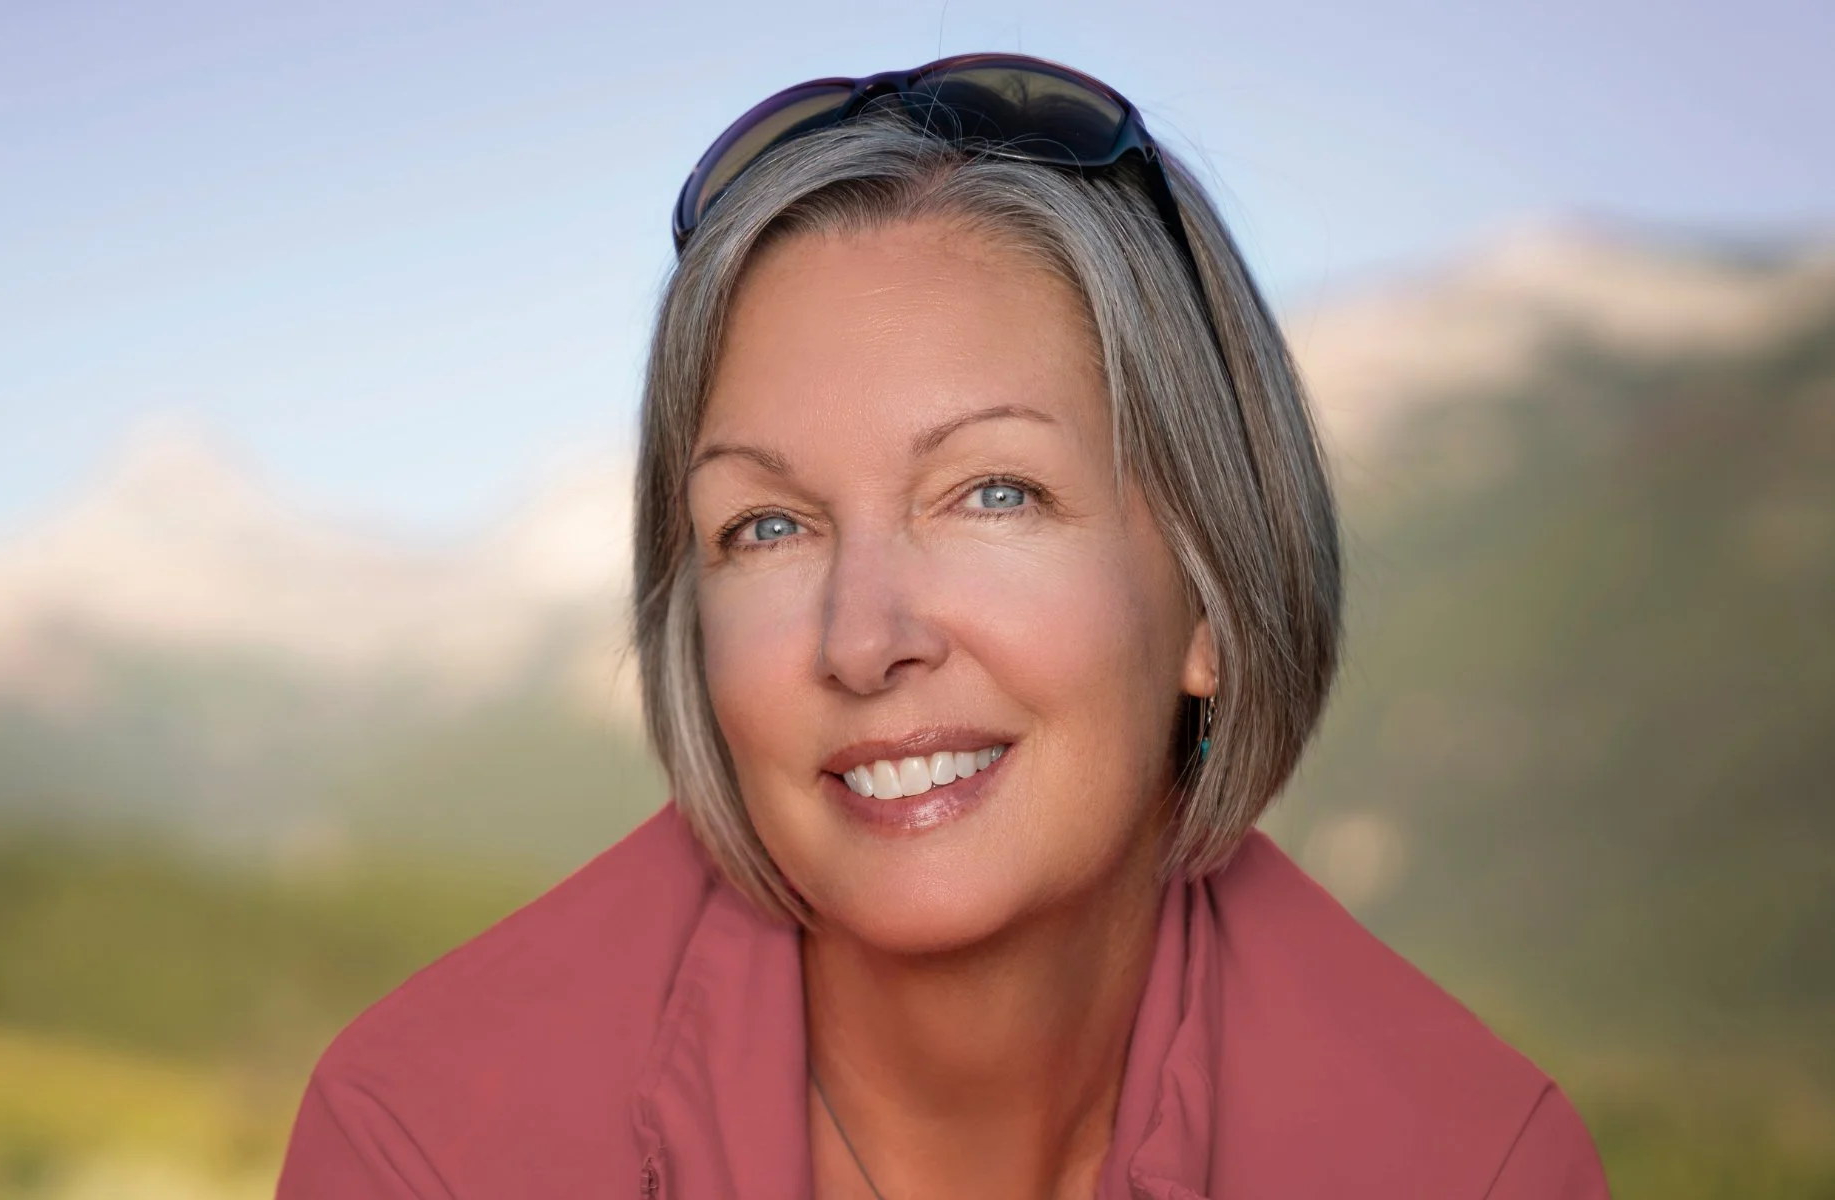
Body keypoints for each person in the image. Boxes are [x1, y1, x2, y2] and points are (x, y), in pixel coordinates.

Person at [276, 54, 1610, 1198]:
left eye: (990, 492)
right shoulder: (433, 1148)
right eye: (769, 526)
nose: (864, 640)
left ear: (1209, 587)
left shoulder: (1465, 1165)